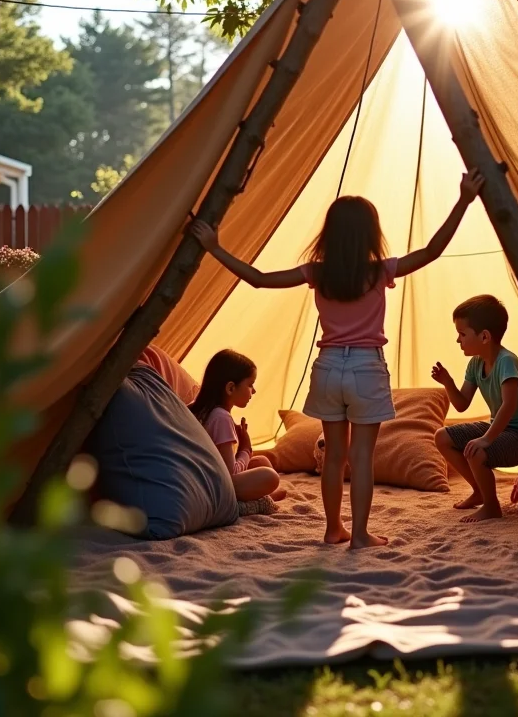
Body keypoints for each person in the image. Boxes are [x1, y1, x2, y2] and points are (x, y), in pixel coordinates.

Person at [191, 168, 485, 548]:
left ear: (330, 234)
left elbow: (258, 278)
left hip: (328, 367)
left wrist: (214, 247)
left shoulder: (317, 273)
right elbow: (432, 251)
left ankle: (333, 530)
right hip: (365, 367)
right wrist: (463, 199)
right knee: (361, 457)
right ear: (370, 234)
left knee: (333, 457)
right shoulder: (379, 271)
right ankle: (359, 534)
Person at [432, 295, 518, 523]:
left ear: (484, 336)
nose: (458, 340)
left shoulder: (506, 362)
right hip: (499, 428)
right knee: (442, 437)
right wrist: (448, 383)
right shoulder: (475, 363)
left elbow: (509, 406)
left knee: (476, 450)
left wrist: (485, 439)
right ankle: (479, 490)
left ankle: (492, 506)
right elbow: (461, 405)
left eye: (462, 334)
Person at [190, 349, 286, 507]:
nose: (253, 391)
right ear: (230, 388)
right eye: (250, 384)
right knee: (270, 476)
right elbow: (230, 474)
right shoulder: (221, 417)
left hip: (206, 478)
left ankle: (264, 494)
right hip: (214, 486)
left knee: (261, 461)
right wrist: (245, 449)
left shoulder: (201, 409)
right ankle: (261, 497)